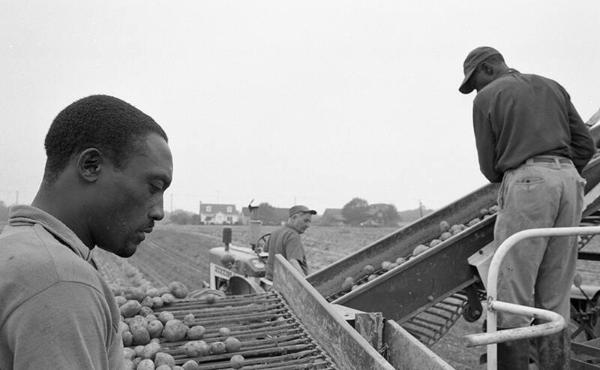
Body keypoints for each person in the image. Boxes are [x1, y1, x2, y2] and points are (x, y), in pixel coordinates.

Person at [0, 95, 173, 369]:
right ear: (91, 165)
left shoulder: (15, 245)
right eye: (153, 186)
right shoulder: (62, 282)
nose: (159, 212)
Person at [459, 46, 596, 369]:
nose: (477, 90)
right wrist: (558, 173)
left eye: (475, 81)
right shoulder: (552, 86)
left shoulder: (488, 96)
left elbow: (490, 168)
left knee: (512, 295)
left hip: (528, 185)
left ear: (488, 68)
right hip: (570, 183)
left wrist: (531, 176)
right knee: (556, 295)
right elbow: (586, 145)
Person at [265, 205, 316, 280]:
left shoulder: (275, 232)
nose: (308, 225)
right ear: (294, 218)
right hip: (286, 285)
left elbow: (265, 253)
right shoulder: (293, 235)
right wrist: (306, 285)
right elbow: (293, 262)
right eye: (305, 221)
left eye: (309, 222)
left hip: (272, 281)